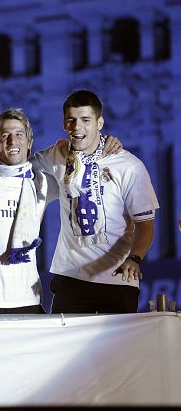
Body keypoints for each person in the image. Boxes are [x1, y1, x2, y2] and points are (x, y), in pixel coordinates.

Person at [32, 89, 158, 313]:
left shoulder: (129, 165)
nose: (77, 127)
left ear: (100, 123)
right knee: (67, 347)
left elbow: (146, 225)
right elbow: (16, 166)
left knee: (118, 349)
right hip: (69, 278)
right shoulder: (57, 154)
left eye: (85, 120)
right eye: (71, 120)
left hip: (116, 281)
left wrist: (135, 259)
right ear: (64, 123)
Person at [0, 109, 57, 314]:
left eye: (19, 134)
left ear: (29, 142)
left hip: (28, 298)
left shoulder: (42, 182)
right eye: (5, 136)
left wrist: (105, 146)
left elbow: (76, 171)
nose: (12, 141)